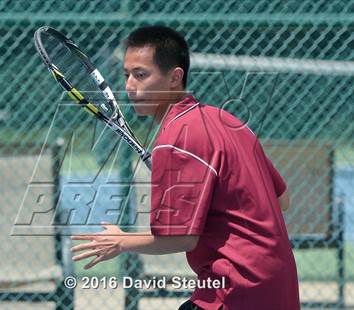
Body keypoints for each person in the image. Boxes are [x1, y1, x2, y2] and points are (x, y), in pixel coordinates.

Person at [71, 25, 300, 310]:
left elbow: (181, 237)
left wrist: (121, 242)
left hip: (235, 293)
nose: (130, 85)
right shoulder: (227, 120)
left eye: (141, 75)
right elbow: (283, 200)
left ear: (174, 77)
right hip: (279, 288)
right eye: (127, 75)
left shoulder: (174, 140)